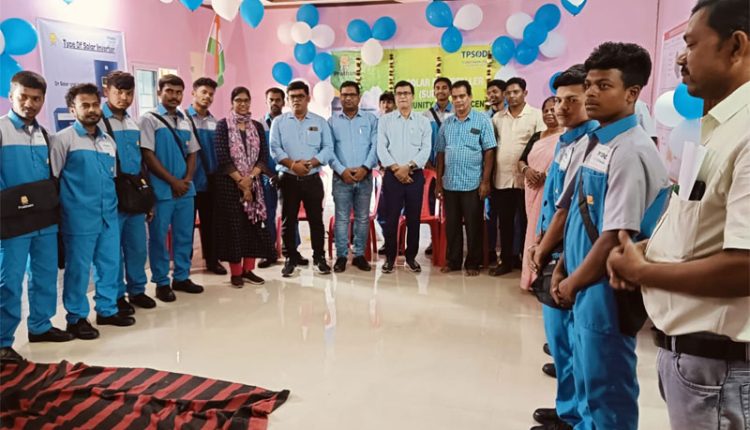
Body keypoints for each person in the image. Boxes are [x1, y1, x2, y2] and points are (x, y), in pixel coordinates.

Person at [607, 1, 750, 428]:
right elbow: (699, 227)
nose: (681, 59)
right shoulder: (719, 128)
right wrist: (647, 252)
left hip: (720, 368)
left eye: (691, 44)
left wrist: (644, 272)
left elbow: (745, 267)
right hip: (694, 362)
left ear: (736, 46)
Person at [552, 42, 670, 430]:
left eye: (603, 86)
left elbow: (615, 236)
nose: (591, 94)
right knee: (588, 384)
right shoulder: (599, 143)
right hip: (584, 282)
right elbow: (579, 216)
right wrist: (563, 265)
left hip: (605, 290)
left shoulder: (630, 151)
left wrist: (572, 283)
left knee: (608, 392)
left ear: (632, 93)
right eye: (589, 84)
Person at [528, 64, 599, 430]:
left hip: (567, 253)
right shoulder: (565, 141)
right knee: (560, 341)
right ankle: (567, 408)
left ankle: (575, 417)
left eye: (573, 100)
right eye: (558, 100)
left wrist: (543, 250)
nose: (562, 107)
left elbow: (566, 208)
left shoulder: (592, 144)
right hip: (551, 245)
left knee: (573, 344)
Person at [51, 83, 136, 340]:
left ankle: (107, 310)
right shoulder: (63, 140)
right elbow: (54, 179)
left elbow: (112, 178)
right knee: (78, 270)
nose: (91, 110)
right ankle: (76, 318)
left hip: (108, 215)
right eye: (84, 105)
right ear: (72, 109)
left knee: (109, 265)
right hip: (78, 218)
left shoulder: (107, 141)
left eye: (95, 104)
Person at [0, 71, 74, 362]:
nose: (29, 104)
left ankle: (40, 326)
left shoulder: (45, 135)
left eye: (36, 98)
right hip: (11, 222)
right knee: (8, 282)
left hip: (44, 219)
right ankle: (2, 341)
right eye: (23, 97)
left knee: (45, 276)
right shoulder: (2, 130)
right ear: (11, 96)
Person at [139, 74, 203, 302]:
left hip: (185, 190)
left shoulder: (185, 120)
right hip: (161, 191)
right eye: (169, 91)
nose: (174, 96)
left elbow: (193, 152)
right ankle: (161, 282)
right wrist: (172, 181)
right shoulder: (149, 120)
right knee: (158, 238)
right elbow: (148, 155)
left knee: (184, 236)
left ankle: (182, 277)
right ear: (159, 92)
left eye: (178, 92)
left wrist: (186, 179)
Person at [100, 71, 156, 315]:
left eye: (129, 93)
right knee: (112, 252)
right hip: (111, 197)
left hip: (135, 195)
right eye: (118, 92)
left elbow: (142, 162)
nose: (124, 97)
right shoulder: (98, 122)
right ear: (107, 92)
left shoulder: (134, 123)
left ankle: (137, 290)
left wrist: (148, 199)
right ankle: (116, 296)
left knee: (137, 248)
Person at [270, 80, 333, 277]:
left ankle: (319, 257)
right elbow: (275, 148)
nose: (296, 100)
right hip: (288, 179)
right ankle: (290, 258)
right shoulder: (279, 122)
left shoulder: (320, 122)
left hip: (312, 179)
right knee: (288, 220)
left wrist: (312, 163)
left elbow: (328, 148)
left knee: (316, 220)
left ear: (308, 98)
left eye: (300, 96)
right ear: (287, 100)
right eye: (292, 97)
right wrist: (292, 165)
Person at [435, 80, 497, 276]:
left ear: (470, 97)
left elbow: (489, 151)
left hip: (473, 183)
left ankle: (473, 263)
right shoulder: (447, 124)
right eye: (455, 97)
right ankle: (453, 261)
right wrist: (438, 182)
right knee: (452, 226)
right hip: (450, 183)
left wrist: (485, 181)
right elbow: (440, 154)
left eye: (462, 96)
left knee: (473, 225)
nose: (459, 100)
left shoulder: (482, 120)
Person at [213, 87, 274, 287]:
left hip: (255, 185)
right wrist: (241, 181)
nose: (242, 104)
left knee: (253, 228)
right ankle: (236, 273)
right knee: (234, 229)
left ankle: (249, 270)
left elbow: (263, 157)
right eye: (238, 100)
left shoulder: (257, 126)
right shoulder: (223, 125)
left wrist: (250, 179)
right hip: (229, 186)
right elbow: (222, 156)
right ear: (232, 102)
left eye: (246, 100)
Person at [490, 77, 546, 276]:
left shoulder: (537, 116)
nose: (512, 96)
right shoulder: (497, 118)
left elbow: (540, 145)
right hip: (502, 178)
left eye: (516, 92)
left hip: (528, 180)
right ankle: (506, 261)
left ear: (525, 93)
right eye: (508, 93)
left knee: (526, 223)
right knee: (504, 223)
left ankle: (525, 261)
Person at [377, 80, 432, 274]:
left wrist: (408, 167)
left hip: (414, 175)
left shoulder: (423, 121)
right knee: (391, 219)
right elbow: (381, 148)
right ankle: (390, 258)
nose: (402, 96)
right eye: (399, 93)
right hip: (392, 176)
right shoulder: (385, 121)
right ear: (395, 97)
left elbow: (426, 149)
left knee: (413, 219)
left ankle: (411, 257)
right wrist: (396, 169)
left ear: (413, 96)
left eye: (406, 93)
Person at [329, 81, 378, 273]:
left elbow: (375, 146)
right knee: (341, 218)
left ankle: (359, 255)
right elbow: (329, 150)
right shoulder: (332, 122)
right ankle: (341, 256)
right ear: (340, 97)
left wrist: (365, 168)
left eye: (352, 94)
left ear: (359, 97)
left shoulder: (371, 120)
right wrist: (342, 171)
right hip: (341, 178)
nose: (348, 98)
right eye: (344, 95)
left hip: (364, 177)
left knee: (362, 218)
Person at [518, 97, 564, 290]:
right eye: (546, 110)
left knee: (546, 232)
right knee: (532, 231)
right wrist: (527, 170)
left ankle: (543, 277)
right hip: (532, 189)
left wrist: (546, 176)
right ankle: (529, 277)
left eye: (553, 110)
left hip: (551, 192)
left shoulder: (566, 138)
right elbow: (521, 160)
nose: (549, 113)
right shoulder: (538, 136)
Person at [187, 77, 226, 275]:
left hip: (210, 183)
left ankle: (212, 261)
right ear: (193, 93)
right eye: (204, 92)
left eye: (211, 94)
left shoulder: (215, 123)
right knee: (185, 226)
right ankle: (184, 264)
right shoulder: (182, 119)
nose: (208, 97)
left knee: (212, 224)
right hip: (188, 183)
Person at [422, 77, 453, 256]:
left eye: (444, 87)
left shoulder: (458, 111)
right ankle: (434, 241)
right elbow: (423, 141)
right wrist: (427, 164)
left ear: (450, 91)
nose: (441, 91)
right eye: (438, 88)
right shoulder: (426, 115)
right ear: (434, 91)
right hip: (432, 167)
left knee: (451, 207)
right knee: (433, 205)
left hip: (453, 167)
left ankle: (449, 242)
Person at [258, 87, 284, 268]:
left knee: (289, 214)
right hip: (266, 176)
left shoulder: (289, 123)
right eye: (271, 100)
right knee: (267, 215)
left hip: (287, 175)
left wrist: (283, 173)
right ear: (266, 101)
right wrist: (270, 174)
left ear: (283, 102)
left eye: (278, 100)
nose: (274, 103)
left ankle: (292, 251)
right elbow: (256, 154)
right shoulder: (259, 125)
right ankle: (268, 252)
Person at [376, 91, 396, 255]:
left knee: (399, 211)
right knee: (382, 210)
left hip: (398, 172)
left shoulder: (400, 123)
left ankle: (399, 243)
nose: (386, 105)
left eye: (389, 102)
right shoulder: (375, 124)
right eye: (383, 102)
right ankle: (387, 242)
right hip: (381, 175)